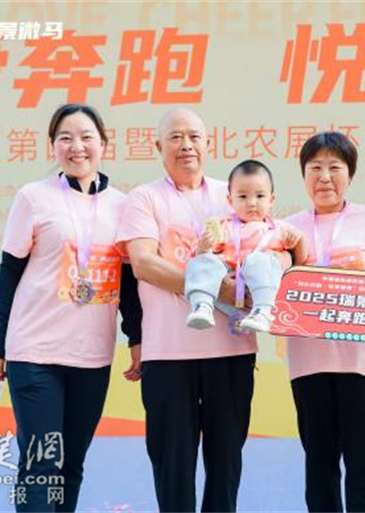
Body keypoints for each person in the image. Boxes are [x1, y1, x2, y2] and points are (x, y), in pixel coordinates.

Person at [0, 103, 142, 512]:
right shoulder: (33, 198)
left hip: (91, 355)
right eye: (65, 138)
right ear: (52, 146)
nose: (77, 147)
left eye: (86, 137)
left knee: (71, 465)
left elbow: (128, 283)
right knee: (41, 464)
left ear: (103, 144)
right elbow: (9, 273)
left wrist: (137, 338)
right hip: (34, 351)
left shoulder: (123, 206)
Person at [115, 108, 257, 512]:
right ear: (158, 146)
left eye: (194, 136)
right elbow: (144, 264)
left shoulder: (233, 195)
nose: (186, 145)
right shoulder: (144, 198)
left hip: (231, 350)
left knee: (225, 465)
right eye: (175, 137)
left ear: (208, 144)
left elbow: (267, 247)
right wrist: (215, 289)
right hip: (168, 355)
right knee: (172, 466)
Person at [285, 132, 365, 512]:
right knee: (319, 468)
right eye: (315, 167)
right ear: (303, 175)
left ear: (350, 174)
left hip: (364, 366)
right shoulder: (285, 230)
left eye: (335, 167)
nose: (324, 177)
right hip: (308, 366)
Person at [184, 159, 308, 333]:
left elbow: (301, 254)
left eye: (260, 196)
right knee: (203, 262)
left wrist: (298, 240)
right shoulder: (223, 226)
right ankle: (202, 305)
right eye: (242, 197)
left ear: (271, 199)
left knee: (261, 260)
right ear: (230, 200)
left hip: (261, 293)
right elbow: (204, 260)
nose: (251, 202)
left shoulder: (279, 228)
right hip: (226, 291)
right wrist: (204, 248)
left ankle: (262, 312)